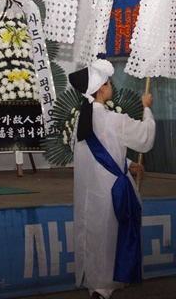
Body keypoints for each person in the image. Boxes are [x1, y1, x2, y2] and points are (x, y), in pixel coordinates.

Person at [69, 59, 156, 299]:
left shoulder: (82, 119)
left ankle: (94, 285)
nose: (111, 87)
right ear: (101, 89)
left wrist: (127, 164)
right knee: (110, 237)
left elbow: (96, 152)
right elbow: (145, 139)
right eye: (109, 83)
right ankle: (103, 289)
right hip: (110, 191)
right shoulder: (113, 119)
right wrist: (147, 108)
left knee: (93, 235)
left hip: (89, 191)